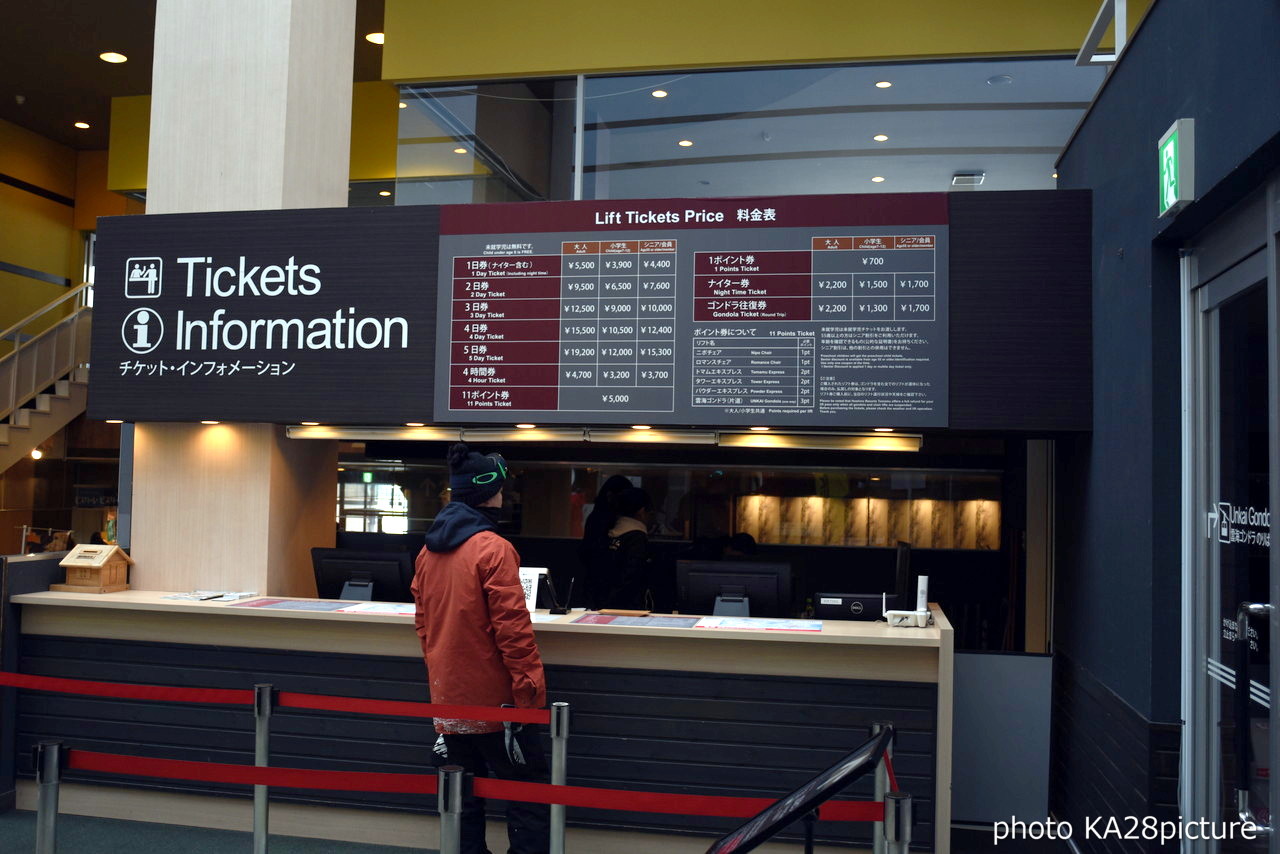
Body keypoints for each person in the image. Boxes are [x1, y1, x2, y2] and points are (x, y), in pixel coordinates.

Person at [412, 442, 549, 854]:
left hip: (448, 699)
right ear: (487, 493)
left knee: (463, 796)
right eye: (502, 489)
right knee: (528, 792)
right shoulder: (493, 549)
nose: (505, 497)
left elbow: (424, 626)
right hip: (497, 703)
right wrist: (530, 694)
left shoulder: (426, 552)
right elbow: (513, 630)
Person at [577, 474, 632, 608]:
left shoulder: (596, 515)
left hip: (593, 579)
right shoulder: (605, 518)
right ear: (611, 496)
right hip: (601, 580)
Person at [597, 487, 655, 610]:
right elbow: (632, 576)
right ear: (641, 511)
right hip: (628, 608)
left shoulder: (609, 534)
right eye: (650, 513)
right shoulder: (637, 537)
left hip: (602, 603)